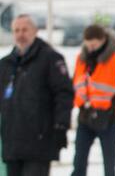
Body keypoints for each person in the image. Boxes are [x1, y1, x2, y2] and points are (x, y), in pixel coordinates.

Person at [0, 14, 73, 176]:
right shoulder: (6, 64)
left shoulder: (50, 59)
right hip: (11, 143)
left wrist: (61, 125)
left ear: (35, 31)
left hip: (39, 141)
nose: (20, 34)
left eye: (25, 30)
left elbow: (64, 94)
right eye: (16, 30)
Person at [71, 24, 115, 176]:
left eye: (94, 45)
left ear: (103, 40)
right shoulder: (81, 59)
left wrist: (113, 103)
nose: (91, 48)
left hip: (108, 118)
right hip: (84, 116)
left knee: (109, 165)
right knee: (78, 164)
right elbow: (75, 82)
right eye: (88, 45)